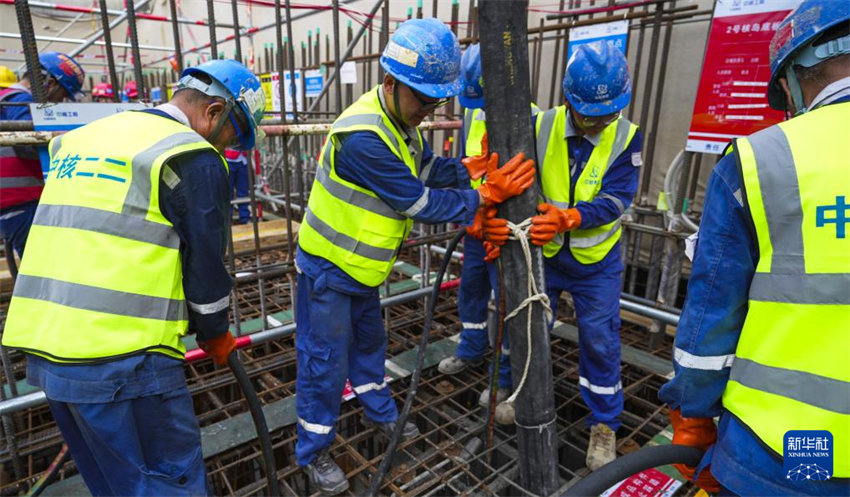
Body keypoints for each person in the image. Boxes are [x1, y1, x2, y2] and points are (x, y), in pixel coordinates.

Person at [2, 59, 266, 496]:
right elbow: (205, 269)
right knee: (166, 483)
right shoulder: (192, 155)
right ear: (214, 112)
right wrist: (216, 333)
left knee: (115, 486)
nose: (228, 148)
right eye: (234, 135)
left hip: (47, 353)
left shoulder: (85, 137)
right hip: (123, 361)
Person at [294, 18, 536, 495]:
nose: (428, 112)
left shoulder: (396, 122)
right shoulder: (363, 136)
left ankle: (379, 413)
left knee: (369, 349)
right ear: (390, 83)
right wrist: (484, 194)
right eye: (423, 101)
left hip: (362, 271)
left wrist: (465, 167)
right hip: (328, 271)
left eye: (436, 103)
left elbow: (421, 167)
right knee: (323, 364)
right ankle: (313, 452)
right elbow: (417, 201)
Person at [658, 2, 850, 495]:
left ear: (792, 75)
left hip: (796, 450)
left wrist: (693, 411)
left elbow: (712, 314)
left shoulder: (764, 159)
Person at [483, 40, 642, 471]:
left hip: (597, 263)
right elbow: (509, 178)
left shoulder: (626, 136)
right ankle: (511, 388)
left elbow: (618, 200)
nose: (598, 124)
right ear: (570, 100)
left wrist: (571, 217)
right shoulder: (539, 125)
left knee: (600, 338)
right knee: (523, 320)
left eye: (607, 115)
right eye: (591, 116)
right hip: (545, 254)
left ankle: (604, 423)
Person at [438, 43, 541, 414]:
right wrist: (473, 212)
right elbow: (471, 165)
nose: (478, 108)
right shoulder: (474, 114)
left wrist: (497, 220)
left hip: (505, 234)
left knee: (508, 305)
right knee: (471, 290)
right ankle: (472, 348)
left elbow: (528, 185)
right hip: (476, 227)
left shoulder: (529, 120)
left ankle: (504, 379)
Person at [0, 52, 84, 259]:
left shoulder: (9, 99)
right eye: (62, 94)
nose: (61, 101)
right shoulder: (19, 100)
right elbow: (30, 143)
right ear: (48, 82)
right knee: (43, 262)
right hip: (21, 202)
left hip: (16, 202)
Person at [224, 148, 251, 224]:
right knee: (228, 193)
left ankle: (245, 217)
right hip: (228, 160)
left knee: (243, 192)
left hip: (242, 160)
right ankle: (228, 219)